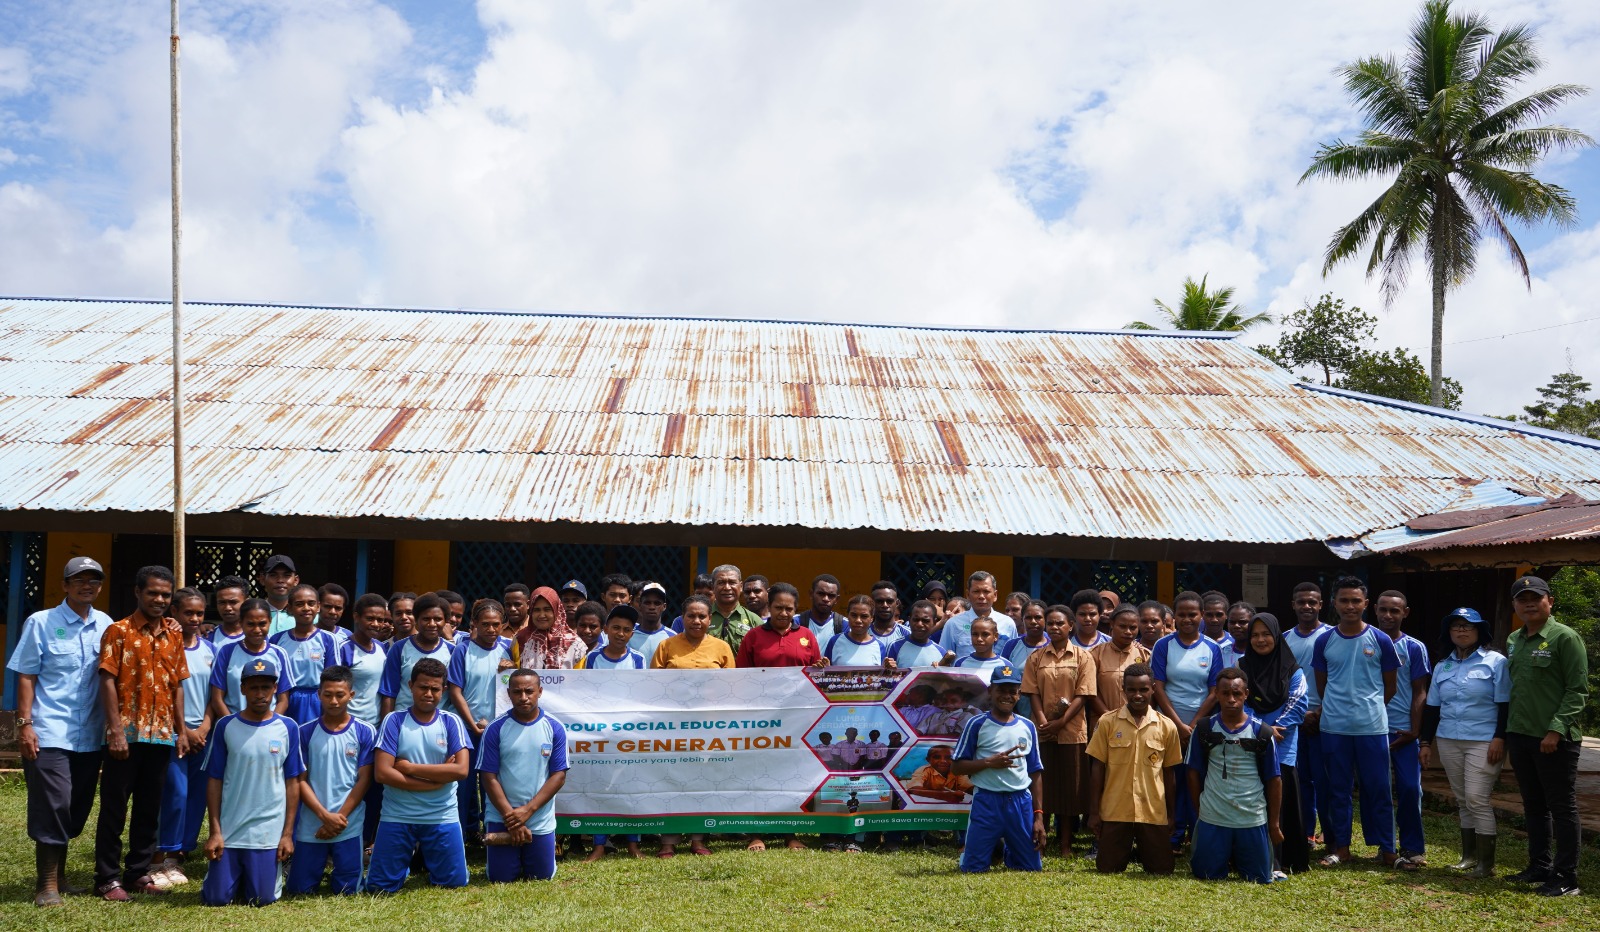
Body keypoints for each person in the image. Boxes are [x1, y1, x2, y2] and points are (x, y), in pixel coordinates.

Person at [9, 555, 115, 907]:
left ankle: (63, 877)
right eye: (80, 579)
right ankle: (46, 884)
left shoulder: (106, 624)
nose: (88, 585)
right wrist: (25, 724)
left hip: (90, 733)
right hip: (50, 728)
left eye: (94, 580)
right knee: (54, 803)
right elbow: (26, 674)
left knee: (76, 807)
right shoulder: (42, 622)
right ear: (65, 585)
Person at [95, 565, 191, 901]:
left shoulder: (174, 634)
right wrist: (116, 730)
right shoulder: (117, 631)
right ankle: (107, 878)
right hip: (127, 737)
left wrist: (180, 730)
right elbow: (107, 679)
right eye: (153, 593)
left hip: (161, 736)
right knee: (114, 808)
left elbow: (177, 684)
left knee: (150, 808)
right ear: (138, 592)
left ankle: (137, 871)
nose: (160, 600)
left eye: (165, 595)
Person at [1502, 575, 1589, 897]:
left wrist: (1555, 729)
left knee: (1562, 807)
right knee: (1533, 805)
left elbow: (1578, 690)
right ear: (1514, 605)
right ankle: (1540, 865)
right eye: (1522, 598)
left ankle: (1566, 876)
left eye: (1535, 597)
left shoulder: (1565, 638)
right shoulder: (1514, 640)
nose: (1529, 603)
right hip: (1520, 734)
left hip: (1555, 738)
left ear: (1549, 601)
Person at [1311, 576, 1400, 869]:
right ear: (1334, 604)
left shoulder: (1381, 640)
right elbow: (1323, 685)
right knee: (1339, 790)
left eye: (1355, 601)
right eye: (1344, 600)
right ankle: (1341, 848)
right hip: (1334, 728)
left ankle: (1388, 849)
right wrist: (1339, 709)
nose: (1350, 606)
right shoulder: (1324, 640)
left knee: (1379, 788)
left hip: (1372, 728)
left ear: (1366, 604)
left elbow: (1390, 686)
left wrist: (1368, 708)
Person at [200, 657, 303, 907]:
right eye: (254, 687)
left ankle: (257, 874)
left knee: (261, 899)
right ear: (243, 689)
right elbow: (214, 780)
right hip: (231, 830)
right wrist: (215, 832)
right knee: (216, 899)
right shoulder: (226, 726)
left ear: (275, 689)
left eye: (265, 687)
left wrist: (287, 835)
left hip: (267, 832)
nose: (260, 694)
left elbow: (293, 783)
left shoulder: (288, 727)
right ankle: (227, 876)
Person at [367, 658, 472, 892]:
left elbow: (461, 770)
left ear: (443, 691)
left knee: (454, 884)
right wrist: (436, 781)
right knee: (379, 888)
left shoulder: (451, 721)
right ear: (410, 685)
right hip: (397, 814)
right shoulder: (393, 720)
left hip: (441, 814)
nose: (428, 693)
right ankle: (400, 863)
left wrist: (409, 768)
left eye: (435, 689)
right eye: (423, 687)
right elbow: (383, 773)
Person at [1419, 607, 1508, 880]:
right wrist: (1425, 742)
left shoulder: (1496, 662)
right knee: (1462, 800)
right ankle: (1469, 857)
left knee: (1476, 798)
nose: (1461, 630)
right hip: (1448, 740)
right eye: (1455, 626)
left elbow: (1505, 704)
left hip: (1484, 740)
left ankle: (1486, 864)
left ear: (1480, 631)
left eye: (1468, 626)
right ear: (1449, 632)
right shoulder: (1442, 665)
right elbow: (1432, 708)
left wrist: (1500, 738)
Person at [286, 666, 376, 896]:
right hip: (312, 822)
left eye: (340, 694)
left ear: (351, 695)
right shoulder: (304, 732)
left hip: (348, 822)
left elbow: (364, 780)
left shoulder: (365, 731)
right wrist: (325, 817)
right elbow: (300, 781)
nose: (334, 701)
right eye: (328, 694)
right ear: (318, 694)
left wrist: (339, 818)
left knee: (348, 891)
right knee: (299, 890)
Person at [1187, 669, 1282, 884]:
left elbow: (1274, 779)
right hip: (1213, 815)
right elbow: (1192, 773)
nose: (1231, 699)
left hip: (1251, 816)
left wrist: (1274, 824)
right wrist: (1200, 810)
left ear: (1246, 694)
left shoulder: (1263, 732)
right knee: (1206, 875)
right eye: (1225, 693)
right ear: (1217, 695)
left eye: (1237, 694)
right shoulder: (1203, 728)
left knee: (1259, 878)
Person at [1086, 662, 1180, 875]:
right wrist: (1094, 812)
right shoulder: (1107, 722)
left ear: (1153, 689)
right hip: (1116, 810)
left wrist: (1172, 814)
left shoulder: (1167, 726)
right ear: (1124, 690)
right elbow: (1097, 769)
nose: (1138, 695)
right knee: (1107, 869)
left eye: (1143, 689)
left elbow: (1169, 773)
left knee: (1162, 870)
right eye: (1132, 690)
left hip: (1152, 811)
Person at [952, 664, 1045, 873]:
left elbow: (1036, 772)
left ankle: (1006, 849)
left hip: (1020, 801)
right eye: (1001, 690)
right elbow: (956, 767)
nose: (1007, 696)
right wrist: (988, 763)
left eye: (1012, 691)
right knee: (973, 869)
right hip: (987, 800)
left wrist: (1038, 817)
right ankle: (986, 846)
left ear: (1019, 694)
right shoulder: (976, 724)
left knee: (1030, 867)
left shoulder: (1027, 726)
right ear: (990, 691)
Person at [1021, 605, 1098, 857]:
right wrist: (1044, 722)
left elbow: (1083, 695)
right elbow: (1032, 693)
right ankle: (1041, 838)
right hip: (1042, 731)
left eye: (1059, 624)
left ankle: (1066, 843)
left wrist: (1061, 722)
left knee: (1069, 789)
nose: (1054, 627)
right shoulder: (1036, 658)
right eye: (1050, 623)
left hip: (1072, 732)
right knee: (1043, 786)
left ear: (1070, 626)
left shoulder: (1083, 657)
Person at [1149, 590, 1222, 852]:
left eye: (1193, 614)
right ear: (1174, 616)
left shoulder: (1212, 648)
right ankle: (1174, 834)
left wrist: (1193, 725)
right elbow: (1157, 687)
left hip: (1201, 727)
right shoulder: (1163, 645)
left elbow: (1215, 692)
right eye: (1182, 614)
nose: (1187, 619)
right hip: (1169, 724)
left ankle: (1198, 831)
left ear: (1201, 616)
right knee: (1173, 779)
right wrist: (1178, 724)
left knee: (1198, 778)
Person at [1238, 612, 1310, 875]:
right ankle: (1256, 858)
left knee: (1283, 801)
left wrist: (1275, 727)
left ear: (1277, 636)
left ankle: (1285, 860)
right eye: (1254, 635)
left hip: (1283, 742)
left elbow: (1299, 701)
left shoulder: (1293, 669)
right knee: (1254, 801)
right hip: (1253, 740)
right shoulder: (1243, 668)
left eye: (1266, 634)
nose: (1260, 639)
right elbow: (1240, 700)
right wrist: (1261, 728)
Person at [480, 670, 569, 881]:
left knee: (541, 876)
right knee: (500, 878)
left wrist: (528, 811)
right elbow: (488, 777)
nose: (523, 697)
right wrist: (514, 820)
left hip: (538, 817)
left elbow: (559, 776)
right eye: (517, 692)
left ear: (540, 691)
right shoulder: (495, 728)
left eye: (529, 691)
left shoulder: (555, 727)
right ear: (508, 694)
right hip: (502, 817)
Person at [153, 587, 215, 889]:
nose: (194, 618)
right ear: (174, 613)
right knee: (174, 794)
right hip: (172, 734)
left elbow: (214, 694)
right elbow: (164, 693)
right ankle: (165, 851)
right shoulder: (165, 646)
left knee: (197, 797)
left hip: (203, 736)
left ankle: (182, 850)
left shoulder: (209, 649)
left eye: (199, 613)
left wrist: (203, 727)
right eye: (188, 612)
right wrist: (183, 731)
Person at [446, 599, 515, 845]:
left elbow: (515, 685)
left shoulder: (507, 650)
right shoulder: (462, 650)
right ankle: (461, 836)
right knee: (463, 786)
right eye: (485, 624)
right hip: (467, 730)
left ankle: (491, 833)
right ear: (473, 624)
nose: (491, 629)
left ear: (503, 624)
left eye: (496, 624)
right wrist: (472, 723)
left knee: (493, 783)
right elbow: (455, 691)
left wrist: (511, 668)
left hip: (496, 731)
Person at [1374, 589, 1431, 869]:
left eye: (1394, 610)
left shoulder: (1414, 647)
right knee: (1379, 790)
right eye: (1383, 609)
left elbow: (1420, 691)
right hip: (1372, 730)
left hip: (1404, 732)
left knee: (1410, 789)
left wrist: (1415, 731)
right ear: (1375, 610)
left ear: (1404, 613)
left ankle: (1413, 847)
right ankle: (1386, 847)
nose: (1388, 615)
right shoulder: (1367, 641)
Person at [1282, 581, 1329, 847]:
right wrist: (1301, 715)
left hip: (1326, 718)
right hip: (1296, 720)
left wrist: (1321, 711)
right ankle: (1306, 833)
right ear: (1293, 605)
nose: (1307, 606)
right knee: (1301, 780)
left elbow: (1339, 678)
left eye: (1312, 602)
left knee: (1326, 779)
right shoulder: (1285, 638)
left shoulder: (1332, 635)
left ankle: (1330, 832)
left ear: (1321, 604)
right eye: (1301, 602)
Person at [209, 600, 291, 718]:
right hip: (234, 726)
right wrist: (232, 725)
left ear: (270, 622)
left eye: (262, 624)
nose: (257, 630)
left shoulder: (279, 653)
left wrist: (270, 724)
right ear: (241, 623)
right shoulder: (226, 652)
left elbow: (283, 700)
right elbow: (217, 699)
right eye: (250, 624)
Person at [270, 584, 338, 725]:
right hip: (284, 699)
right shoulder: (277, 640)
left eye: (311, 603)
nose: (306, 608)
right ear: (289, 608)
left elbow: (333, 679)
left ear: (318, 607)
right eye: (299, 604)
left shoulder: (328, 639)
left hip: (317, 701)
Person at [379, 592, 455, 717]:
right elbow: (389, 693)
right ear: (417, 620)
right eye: (426, 619)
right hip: (402, 721)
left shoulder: (453, 651)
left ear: (446, 621)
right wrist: (387, 726)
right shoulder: (399, 648)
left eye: (438, 619)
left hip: (437, 723)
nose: (432, 624)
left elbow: (455, 693)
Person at [736, 582, 824, 670]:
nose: (783, 613)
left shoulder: (807, 635)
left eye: (789, 609)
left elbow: (816, 673)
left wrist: (824, 668)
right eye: (778, 608)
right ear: (769, 606)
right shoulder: (752, 636)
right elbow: (742, 674)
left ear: (795, 609)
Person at [337, 594, 390, 728]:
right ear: (356, 617)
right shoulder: (344, 649)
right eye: (370, 619)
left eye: (380, 620)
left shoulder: (381, 647)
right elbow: (335, 689)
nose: (376, 624)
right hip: (350, 724)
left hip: (375, 725)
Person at [938, 572, 1018, 659]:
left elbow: (1014, 658)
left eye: (986, 591)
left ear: (995, 595)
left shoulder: (1008, 624)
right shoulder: (953, 624)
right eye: (976, 591)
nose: (981, 596)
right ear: (968, 595)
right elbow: (943, 659)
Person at [1089, 606, 1151, 717]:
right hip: (1103, 723)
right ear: (1112, 624)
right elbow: (1090, 690)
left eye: (1133, 628)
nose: (1128, 632)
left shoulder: (1145, 656)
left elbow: (1150, 692)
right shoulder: (1095, 654)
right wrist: (1108, 717)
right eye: (1122, 626)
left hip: (1136, 723)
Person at [651, 596, 737, 670]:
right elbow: (655, 681)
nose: (696, 621)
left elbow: (730, 683)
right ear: (683, 617)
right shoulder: (665, 646)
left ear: (710, 619)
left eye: (702, 616)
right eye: (691, 616)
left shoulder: (722, 647)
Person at [515, 586, 585, 670]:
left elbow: (580, 679)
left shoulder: (575, 644)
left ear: (556, 610)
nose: (541, 615)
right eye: (537, 610)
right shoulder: (520, 639)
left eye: (547, 609)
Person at [705, 564, 758, 653]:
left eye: (732, 582)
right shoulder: (701, 618)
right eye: (721, 583)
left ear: (741, 586)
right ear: (713, 587)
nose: (727, 588)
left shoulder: (754, 621)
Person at [887, 600, 955, 668]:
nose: (919, 624)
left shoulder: (941, 652)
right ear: (909, 620)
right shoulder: (895, 646)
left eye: (925, 621)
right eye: (916, 619)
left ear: (934, 622)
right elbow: (886, 675)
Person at [826, 595, 891, 666]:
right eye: (854, 615)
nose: (858, 620)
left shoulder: (879, 646)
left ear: (872, 618)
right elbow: (825, 672)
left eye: (864, 616)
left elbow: (882, 675)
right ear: (848, 616)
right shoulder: (835, 641)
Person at [586, 605, 649, 670]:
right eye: (616, 628)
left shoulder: (638, 658)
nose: (621, 634)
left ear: (631, 634)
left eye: (626, 630)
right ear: (606, 629)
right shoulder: (592, 657)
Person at [904, 745, 974, 802]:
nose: (943, 761)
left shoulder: (957, 771)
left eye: (949, 757)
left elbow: (968, 788)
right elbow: (913, 789)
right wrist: (943, 795)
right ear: (928, 760)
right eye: (937, 757)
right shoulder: (923, 770)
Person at [630, 582, 674, 660]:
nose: (652, 607)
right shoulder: (629, 635)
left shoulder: (672, 637)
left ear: (664, 607)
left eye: (657, 603)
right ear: (640, 605)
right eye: (647, 603)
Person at [257, 554, 299, 637]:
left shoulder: (306, 615)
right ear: (262, 579)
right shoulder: (252, 614)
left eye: (286, 575)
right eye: (273, 575)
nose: (280, 580)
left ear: (296, 580)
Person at [801, 574, 848, 639]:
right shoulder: (796, 622)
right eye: (821, 594)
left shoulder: (845, 625)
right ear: (811, 594)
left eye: (831, 595)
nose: (826, 599)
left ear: (837, 599)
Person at [209, 576, 250, 647]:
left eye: (233, 602)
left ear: (246, 602)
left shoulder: (260, 636)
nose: (227, 608)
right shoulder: (208, 638)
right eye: (222, 602)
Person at [1220, 601, 1254, 669]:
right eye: (1232, 622)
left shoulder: (1260, 651)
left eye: (1242, 622)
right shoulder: (1221, 652)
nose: (1236, 626)